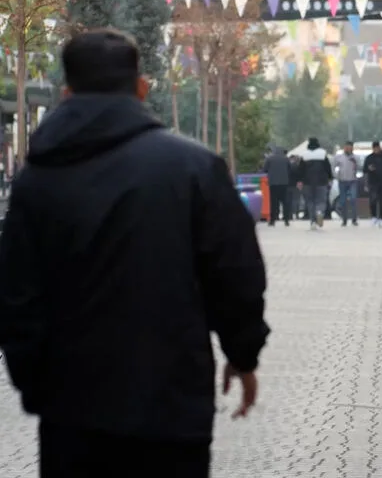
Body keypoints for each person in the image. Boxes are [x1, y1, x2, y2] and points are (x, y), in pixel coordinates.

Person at [0, 29, 269, 478]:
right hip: (171, 406)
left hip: (73, 412)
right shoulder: (192, 168)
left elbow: (15, 294)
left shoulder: (37, 179)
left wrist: (37, 383)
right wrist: (242, 354)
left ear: (67, 93)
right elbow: (235, 273)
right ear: (141, 88)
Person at [297, 137, 333, 229]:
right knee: (321, 201)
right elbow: (328, 168)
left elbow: (300, 170)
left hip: (307, 183)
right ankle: (319, 212)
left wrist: (299, 181)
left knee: (310, 201)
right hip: (321, 182)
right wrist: (330, 178)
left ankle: (313, 221)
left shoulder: (304, 155)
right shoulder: (323, 154)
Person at [333, 141, 360, 227]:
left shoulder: (356, 157)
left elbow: (359, 167)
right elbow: (333, 166)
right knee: (343, 201)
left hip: (352, 180)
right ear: (344, 148)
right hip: (342, 181)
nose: (348, 149)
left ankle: (354, 219)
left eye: (350, 147)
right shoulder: (339, 157)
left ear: (352, 148)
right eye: (346, 147)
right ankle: (344, 219)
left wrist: (355, 163)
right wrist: (336, 176)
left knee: (353, 199)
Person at [263, 145, 291, 226]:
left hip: (273, 183)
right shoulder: (286, 159)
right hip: (284, 183)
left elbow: (265, 169)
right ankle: (286, 220)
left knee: (273, 202)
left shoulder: (269, 159)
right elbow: (290, 169)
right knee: (285, 202)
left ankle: (272, 220)